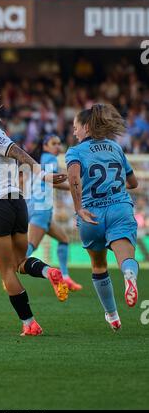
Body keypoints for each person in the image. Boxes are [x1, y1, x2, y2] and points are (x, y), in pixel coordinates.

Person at [0, 77, 68, 337]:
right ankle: (49, 271)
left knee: (5, 271)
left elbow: (19, 154)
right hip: (17, 205)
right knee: (20, 262)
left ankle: (29, 323)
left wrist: (42, 174)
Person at [66, 103, 139, 331]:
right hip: (119, 208)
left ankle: (112, 315)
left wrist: (78, 207)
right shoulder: (114, 147)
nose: (74, 131)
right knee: (125, 256)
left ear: (86, 127)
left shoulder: (75, 151)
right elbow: (133, 183)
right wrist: (113, 186)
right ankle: (129, 276)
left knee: (98, 265)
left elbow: (74, 179)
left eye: (76, 127)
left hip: (91, 213)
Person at [26, 134, 82, 291]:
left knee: (63, 239)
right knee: (32, 245)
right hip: (42, 206)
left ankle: (65, 277)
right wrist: (76, 188)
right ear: (45, 145)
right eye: (54, 143)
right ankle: (11, 271)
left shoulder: (38, 159)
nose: (58, 146)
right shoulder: (50, 159)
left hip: (33, 205)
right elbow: (53, 182)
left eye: (59, 143)